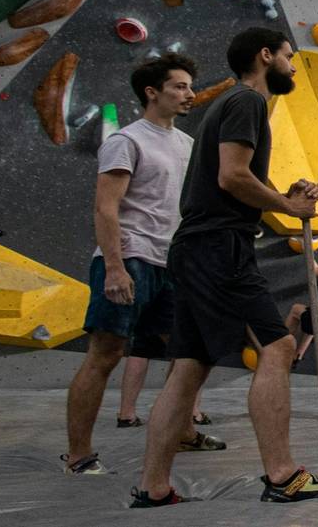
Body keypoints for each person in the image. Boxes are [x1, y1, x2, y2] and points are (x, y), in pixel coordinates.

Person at [132, 28, 318, 507]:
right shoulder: (248, 100)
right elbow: (232, 177)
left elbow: (235, 179)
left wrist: (285, 195)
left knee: (189, 367)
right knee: (279, 345)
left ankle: (153, 487)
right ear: (265, 56)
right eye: (288, 56)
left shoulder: (231, 105)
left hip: (197, 247)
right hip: (219, 247)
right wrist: (289, 208)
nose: (293, 65)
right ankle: (283, 476)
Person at [62, 54, 221, 475]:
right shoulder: (126, 141)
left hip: (173, 265)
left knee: (187, 354)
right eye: (180, 86)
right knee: (106, 354)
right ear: (152, 92)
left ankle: (183, 431)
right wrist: (115, 268)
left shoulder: (187, 144)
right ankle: (78, 456)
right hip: (130, 260)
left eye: (190, 86)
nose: (190, 94)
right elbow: (105, 207)